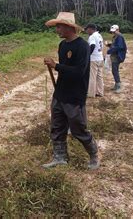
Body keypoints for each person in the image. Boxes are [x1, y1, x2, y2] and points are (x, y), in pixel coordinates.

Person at [42, 12, 99, 170]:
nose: (57, 29)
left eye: (59, 26)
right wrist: (55, 66)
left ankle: (94, 155)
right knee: (57, 127)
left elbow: (79, 72)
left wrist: (56, 66)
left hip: (74, 97)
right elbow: (65, 71)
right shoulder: (63, 45)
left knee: (78, 129)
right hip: (60, 94)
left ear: (69, 27)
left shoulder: (83, 46)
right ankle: (60, 157)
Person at [85, 23, 104, 98]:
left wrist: (88, 55)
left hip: (94, 59)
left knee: (92, 76)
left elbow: (92, 45)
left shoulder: (92, 36)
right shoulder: (99, 35)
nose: (86, 31)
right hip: (100, 58)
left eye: (87, 29)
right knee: (99, 76)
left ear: (91, 29)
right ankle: (100, 92)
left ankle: (91, 93)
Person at [107, 25, 127, 94]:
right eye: (112, 32)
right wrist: (110, 45)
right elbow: (115, 45)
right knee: (114, 70)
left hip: (117, 56)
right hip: (114, 55)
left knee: (115, 70)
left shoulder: (120, 37)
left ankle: (119, 86)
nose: (113, 33)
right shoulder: (116, 37)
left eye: (114, 31)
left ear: (118, 30)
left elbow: (119, 47)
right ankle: (116, 84)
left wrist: (110, 50)